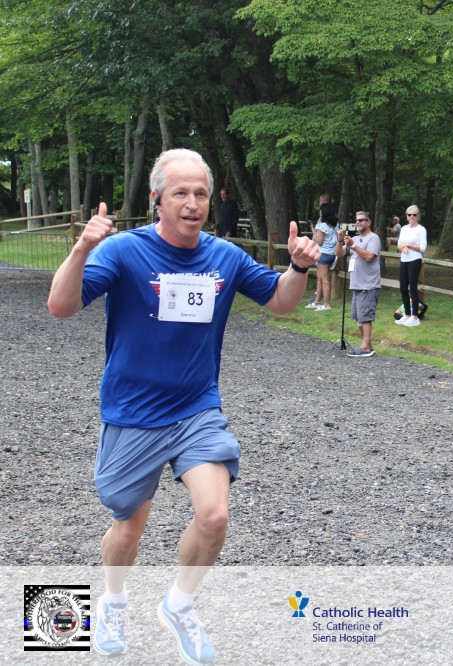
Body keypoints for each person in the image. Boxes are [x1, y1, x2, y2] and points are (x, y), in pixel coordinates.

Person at [46, 148, 320, 665]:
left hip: (197, 408)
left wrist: (298, 266)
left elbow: (282, 302)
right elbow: (60, 306)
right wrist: (82, 248)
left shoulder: (225, 257)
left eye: (200, 193)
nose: (192, 203)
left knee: (214, 516)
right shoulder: (124, 251)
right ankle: (113, 601)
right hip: (132, 413)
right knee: (129, 529)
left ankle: (178, 604)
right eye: (180, 193)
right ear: (157, 199)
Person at [335, 210, 381, 357]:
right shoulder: (354, 238)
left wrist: (353, 246)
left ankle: (365, 348)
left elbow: (369, 256)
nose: (358, 222)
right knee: (359, 317)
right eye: (356, 220)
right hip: (357, 283)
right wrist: (340, 240)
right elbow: (339, 253)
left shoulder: (373, 238)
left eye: (361, 220)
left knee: (365, 317)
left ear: (369, 222)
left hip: (368, 284)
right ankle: (368, 346)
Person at [305, 194, 338, 311]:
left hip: (323, 254)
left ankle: (327, 304)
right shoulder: (335, 225)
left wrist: (314, 231)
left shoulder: (322, 226)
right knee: (319, 278)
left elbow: (319, 241)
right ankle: (317, 301)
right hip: (332, 254)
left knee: (324, 280)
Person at [396, 205, 428, 327]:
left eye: (414, 214)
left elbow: (423, 248)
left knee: (413, 288)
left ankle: (415, 316)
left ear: (418, 216)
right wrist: (403, 247)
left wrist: (409, 245)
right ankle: (407, 314)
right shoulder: (404, 228)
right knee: (403, 288)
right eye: (409, 214)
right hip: (404, 259)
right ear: (407, 216)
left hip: (415, 259)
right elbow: (399, 244)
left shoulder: (421, 229)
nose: (412, 217)